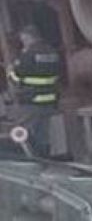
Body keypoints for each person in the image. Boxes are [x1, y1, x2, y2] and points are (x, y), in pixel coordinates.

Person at [5, 25, 62, 158]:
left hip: (32, 100)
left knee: (22, 132)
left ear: (28, 37)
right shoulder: (52, 52)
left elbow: (16, 78)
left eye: (23, 38)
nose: (22, 40)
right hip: (50, 100)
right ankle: (45, 156)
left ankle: (30, 159)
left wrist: (10, 71)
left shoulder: (28, 55)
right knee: (44, 133)